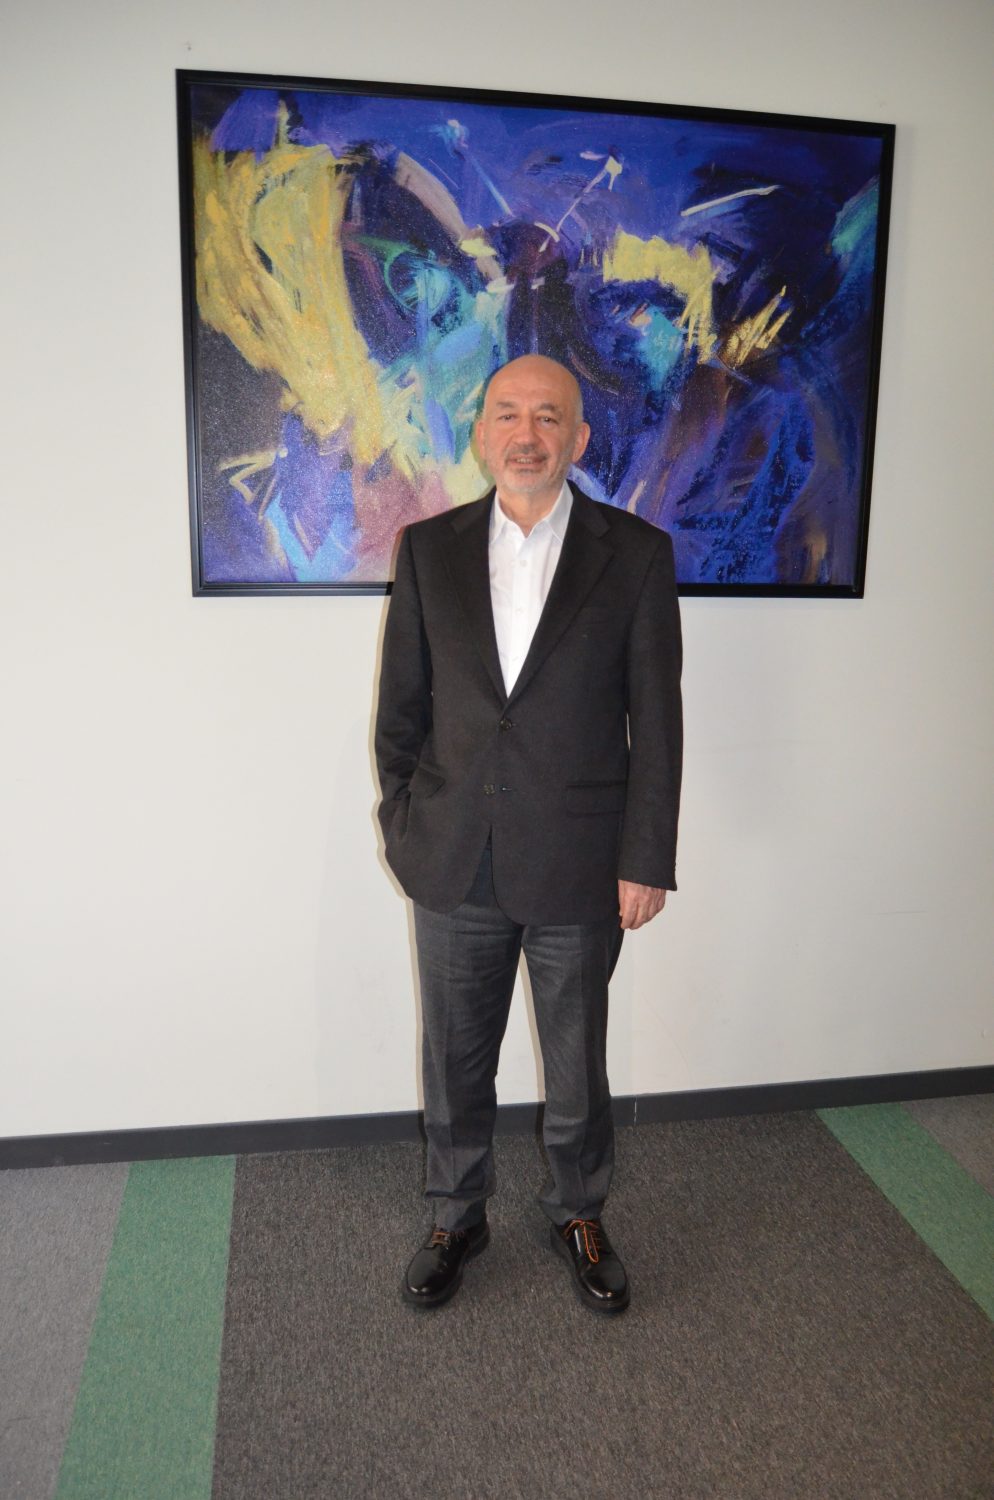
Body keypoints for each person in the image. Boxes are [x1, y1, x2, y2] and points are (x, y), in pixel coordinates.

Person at [375, 354, 682, 1314]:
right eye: (508, 413)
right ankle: (455, 1214)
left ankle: (579, 1212)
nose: (527, 434)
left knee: (576, 1061)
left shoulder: (635, 554)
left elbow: (656, 721)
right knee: (455, 1058)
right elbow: (401, 713)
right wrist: (406, 825)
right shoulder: (428, 550)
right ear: (481, 432)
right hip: (452, 855)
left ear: (578, 438)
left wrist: (645, 857)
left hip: (580, 861)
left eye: (549, 417)